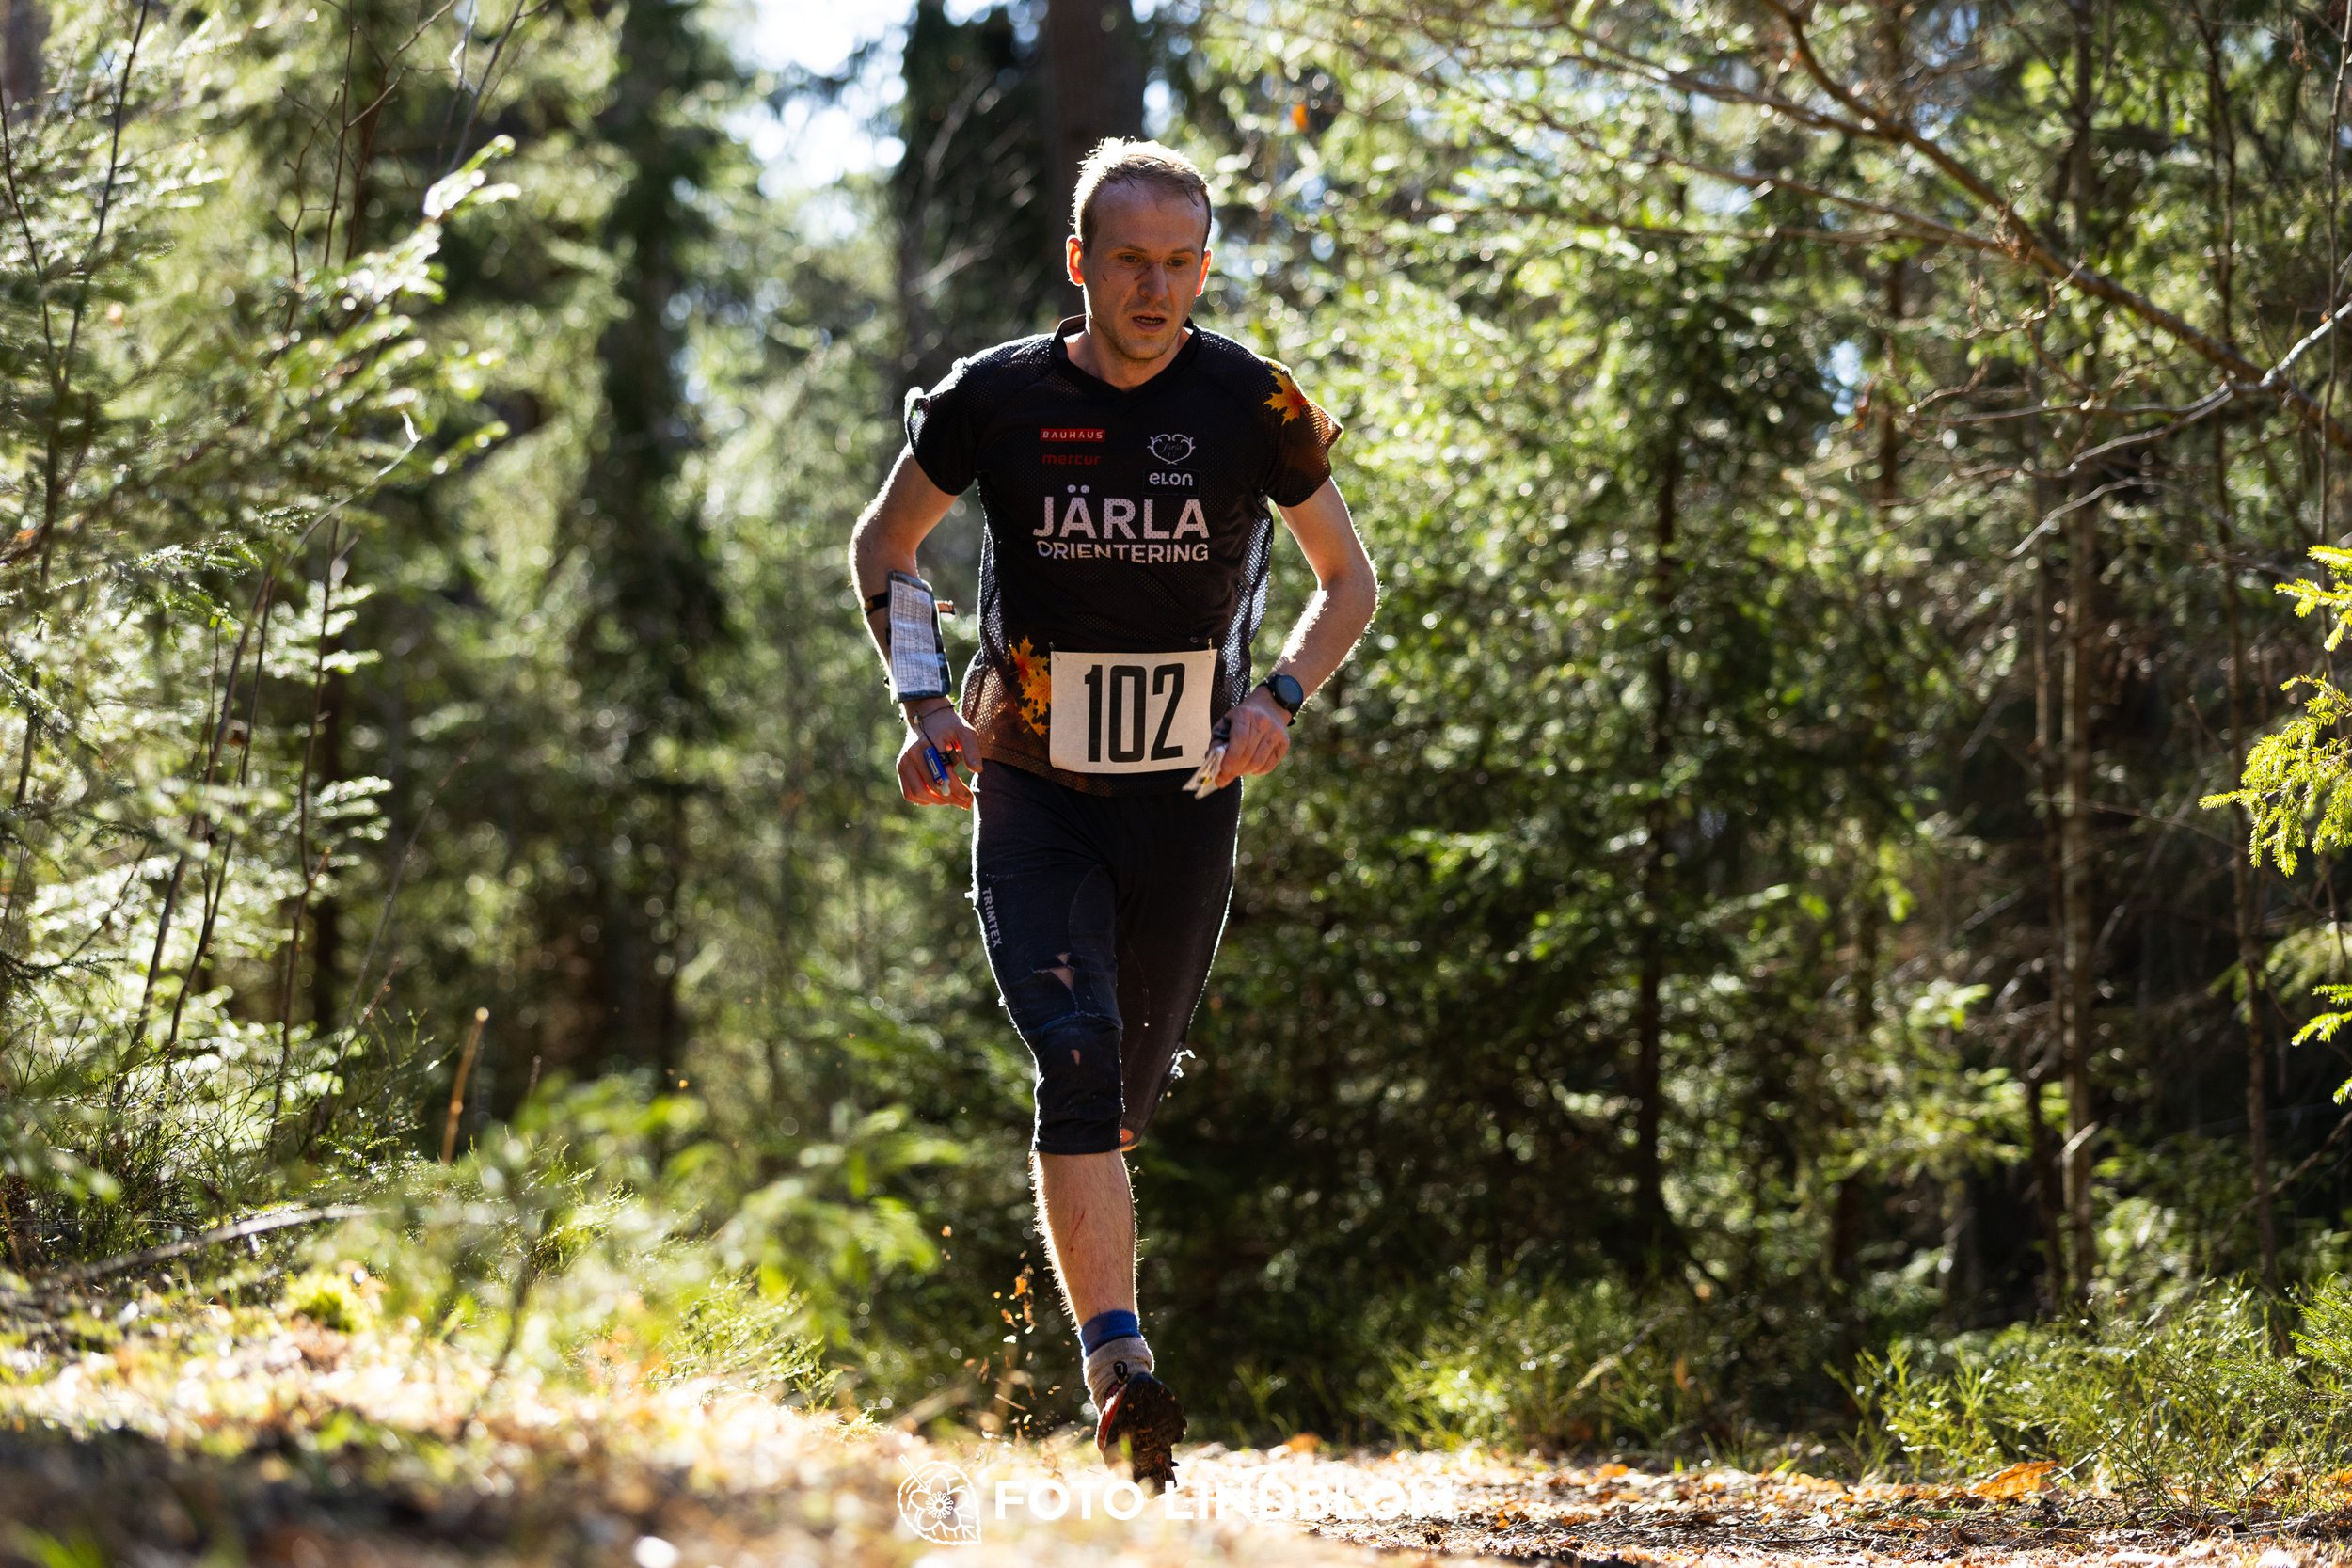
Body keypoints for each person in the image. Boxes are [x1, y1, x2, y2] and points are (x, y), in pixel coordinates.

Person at [848, 137, 1377, 1488]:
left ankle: (1110, 1318)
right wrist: (924, 711)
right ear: (1079, 263)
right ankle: (1121, 1370)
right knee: (1073, 1056)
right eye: (1130, 262)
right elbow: (885, 548)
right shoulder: (995, 401)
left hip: (1188, 802)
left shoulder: (1254, 404)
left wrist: (1277, 701)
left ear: (1205, 266)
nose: (1157, 289)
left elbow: (1346, 586)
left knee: (1125, 1089)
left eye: (1182, 263)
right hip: (1032, 788)